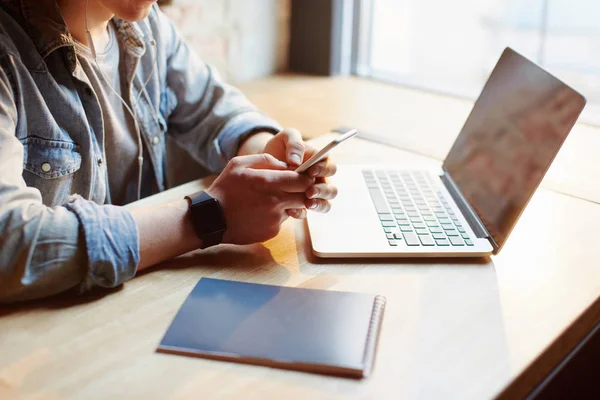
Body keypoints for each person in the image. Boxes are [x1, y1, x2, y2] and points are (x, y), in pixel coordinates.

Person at [0, 0, 338, 303]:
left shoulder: (145, 25)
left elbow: (211, 108)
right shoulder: (8, 55)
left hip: (144, 300)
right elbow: (10, 242)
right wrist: (206, 217)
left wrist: (268, 155)